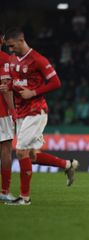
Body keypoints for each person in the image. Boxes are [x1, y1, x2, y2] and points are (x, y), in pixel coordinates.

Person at [0, 28, 79, 205]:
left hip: (36, 110)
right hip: (21, 112)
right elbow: (17, 82)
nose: (10, 49)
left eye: (12, 46)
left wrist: (34, 92)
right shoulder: (12, 60)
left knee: (20, 152)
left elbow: (56, 82)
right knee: (32, 156)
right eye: (8, 47)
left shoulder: (38, 59)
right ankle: (68, 165)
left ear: (21, 41)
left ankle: (24, 198)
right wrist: (8, 87)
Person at [0, 30, 16, 202]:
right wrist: (13, 111)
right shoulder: (4, 58)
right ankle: (4, 191)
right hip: (1, 111)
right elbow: (5, 88)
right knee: (5, 149)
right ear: (2, 39)